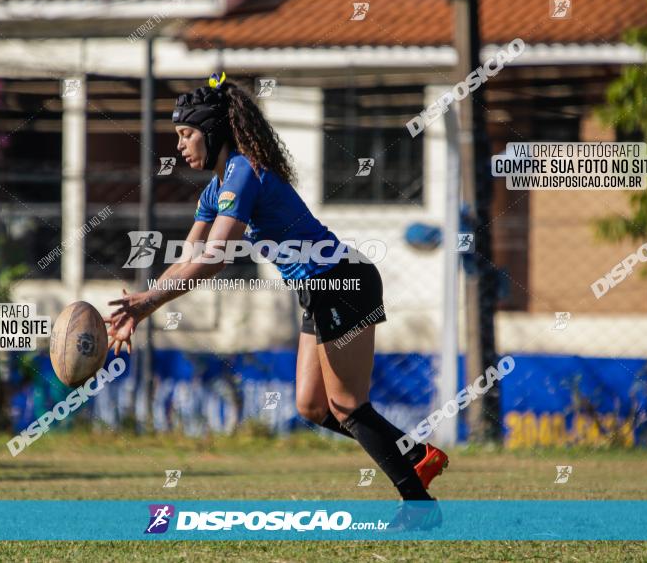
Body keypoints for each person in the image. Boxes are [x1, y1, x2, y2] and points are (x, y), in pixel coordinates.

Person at [106, 74, 448, 528]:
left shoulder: (244, 170)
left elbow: (214, 260)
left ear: (212, 131)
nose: (180, 146)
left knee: (347, 405)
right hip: (319, 290)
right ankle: (416, 454)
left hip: (341, 282)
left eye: (186, 134)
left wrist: (148, 302)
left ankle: (418, 507)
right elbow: (188, 257)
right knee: (312, 406)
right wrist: (145, 308)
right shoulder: (218, 187)